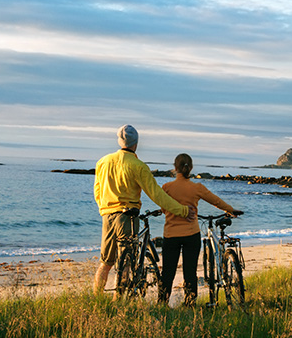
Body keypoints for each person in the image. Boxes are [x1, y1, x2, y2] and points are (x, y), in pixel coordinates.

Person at [93, 124, 197, 295]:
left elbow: (97, 191)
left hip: (107, 215)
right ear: (136, 143)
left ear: (119, 141)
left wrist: (104, 208)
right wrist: (182, 210)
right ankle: (120, 302)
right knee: (125, 262)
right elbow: (157, 194)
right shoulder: (138, 165)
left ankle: (96, 300)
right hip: (127, 217)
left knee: (105, 262)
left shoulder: (102, 162)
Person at [159, 153, 243, 306]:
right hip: (191, 234)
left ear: (175, 168)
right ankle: (190, 304)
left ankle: (162, 305)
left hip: (171, 235)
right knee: (190, 271)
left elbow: (164, 209)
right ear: (190, 168)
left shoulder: (166, 188)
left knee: (167, 272)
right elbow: (215, 201)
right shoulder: (197, 187)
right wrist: (231, 210)